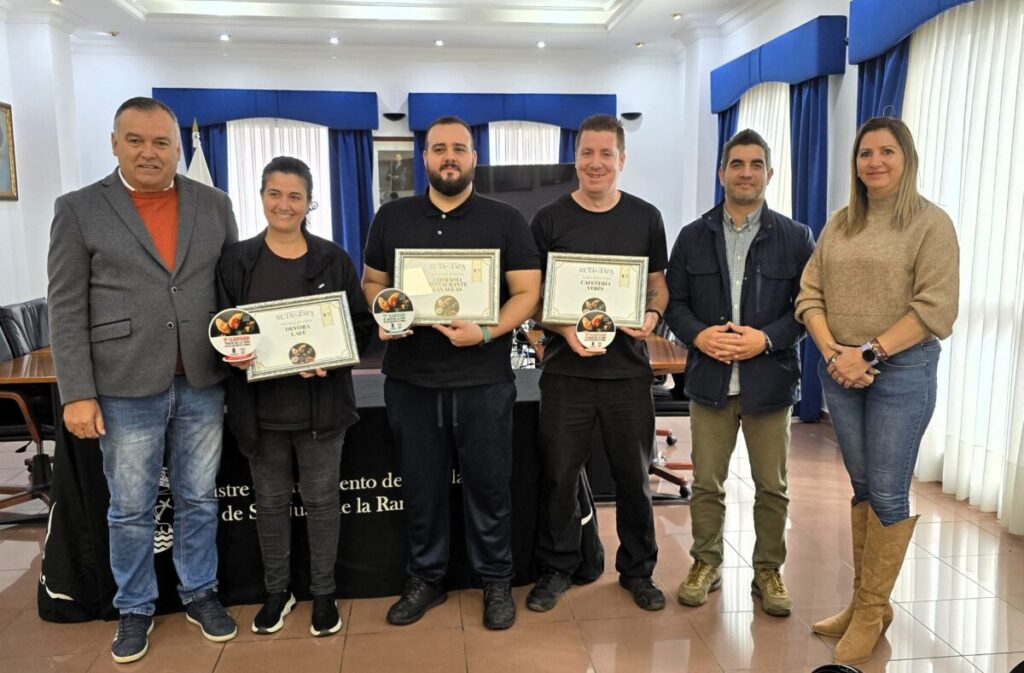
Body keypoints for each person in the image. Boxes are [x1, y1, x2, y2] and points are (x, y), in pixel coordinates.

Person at [46, 97, 239, 664]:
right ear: (115, 144)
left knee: (199, 497)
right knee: (130, 506)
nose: (149, 152)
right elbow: (65, 305)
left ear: (178, 149)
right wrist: (76, 391)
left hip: (203, 378)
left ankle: (200, 592)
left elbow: (232, 290)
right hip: (123, 383)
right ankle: (134, 606)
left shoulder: (214, 203)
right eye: (136, 141)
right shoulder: (79, 208)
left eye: (161, 142)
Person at [361, 116, 541, 630]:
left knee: (489, 486)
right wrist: (386, 310)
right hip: (411, 379)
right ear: (425, 157)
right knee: (420, 485)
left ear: (473, 158)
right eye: (439, 148)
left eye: (459, 149)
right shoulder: (392, 217)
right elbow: (372, 281)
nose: (449, 157)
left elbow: (527, 293)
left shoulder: (504, 219)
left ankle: (496, 580)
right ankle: (426, 578)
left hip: (484, 378)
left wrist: (486, 333)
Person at [795, 116, 959, 665]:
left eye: (887, 152)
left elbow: (935, 310)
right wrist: (834, 354)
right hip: (839, 370)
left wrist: (866, 354)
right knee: (862, 487)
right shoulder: (840, 224)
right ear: (855, 163)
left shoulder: (931, 225)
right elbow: (809, 294)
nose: (875, 162)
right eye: (866, 153)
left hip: (902, 374)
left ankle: (869, 611)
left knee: (888, 491)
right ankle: (869, 603)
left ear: (906, 158)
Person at [217, 156, 373, 637]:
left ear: (309, 203)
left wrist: (337, 355)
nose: (284, 205)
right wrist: (233, 352)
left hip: (321, 408)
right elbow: (224, 328)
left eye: (295, 196)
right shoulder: (237, 260)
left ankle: (323, 594)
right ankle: (276, 592)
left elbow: (361, 328)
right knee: (269, 504)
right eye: (274, 194)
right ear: (261, 196)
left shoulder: (333, 259)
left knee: (324, 503)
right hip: (260, 412)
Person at [664, 129, 815, 615]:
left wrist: (765, 338)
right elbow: (674, 303)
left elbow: (808, 308)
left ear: (769, 174)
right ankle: (705, 562)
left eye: (755, 164)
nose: (746, 172)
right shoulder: (692, 236)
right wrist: (698, 336)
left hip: (768, 382)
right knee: (707, 483)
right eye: (737, 164)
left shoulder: (795, 237)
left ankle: (768, 570)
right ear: (721, 173)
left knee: (772, 487)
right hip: (709, 382)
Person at [527, 113, 669, 613]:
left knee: (634, 477)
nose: (596, 163)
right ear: (576, 158)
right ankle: (558, 567)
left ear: (622, 160)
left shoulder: (646, 217)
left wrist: (652, 315)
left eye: (606, 153)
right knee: (559, 476)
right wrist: (564, 329)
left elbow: (658, 284)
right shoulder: (547, 220)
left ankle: (638, 571)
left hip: (627, 372)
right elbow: (533, 296)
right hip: (566, 373)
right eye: (587, 153)